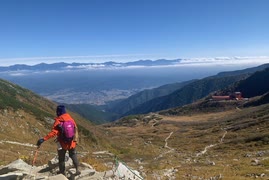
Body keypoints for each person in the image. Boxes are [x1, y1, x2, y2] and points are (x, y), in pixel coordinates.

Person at [37, 105, 80, 176]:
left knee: (61, 158)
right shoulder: (71, 119)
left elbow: (53, 133)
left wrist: (44, 139)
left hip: (62, 143)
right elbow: (75, 129)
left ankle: (62, 173)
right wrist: (75, 140)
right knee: (73, 155)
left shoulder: (58, 121)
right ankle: (77, 169)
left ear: (58, 112)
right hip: (72, 142)